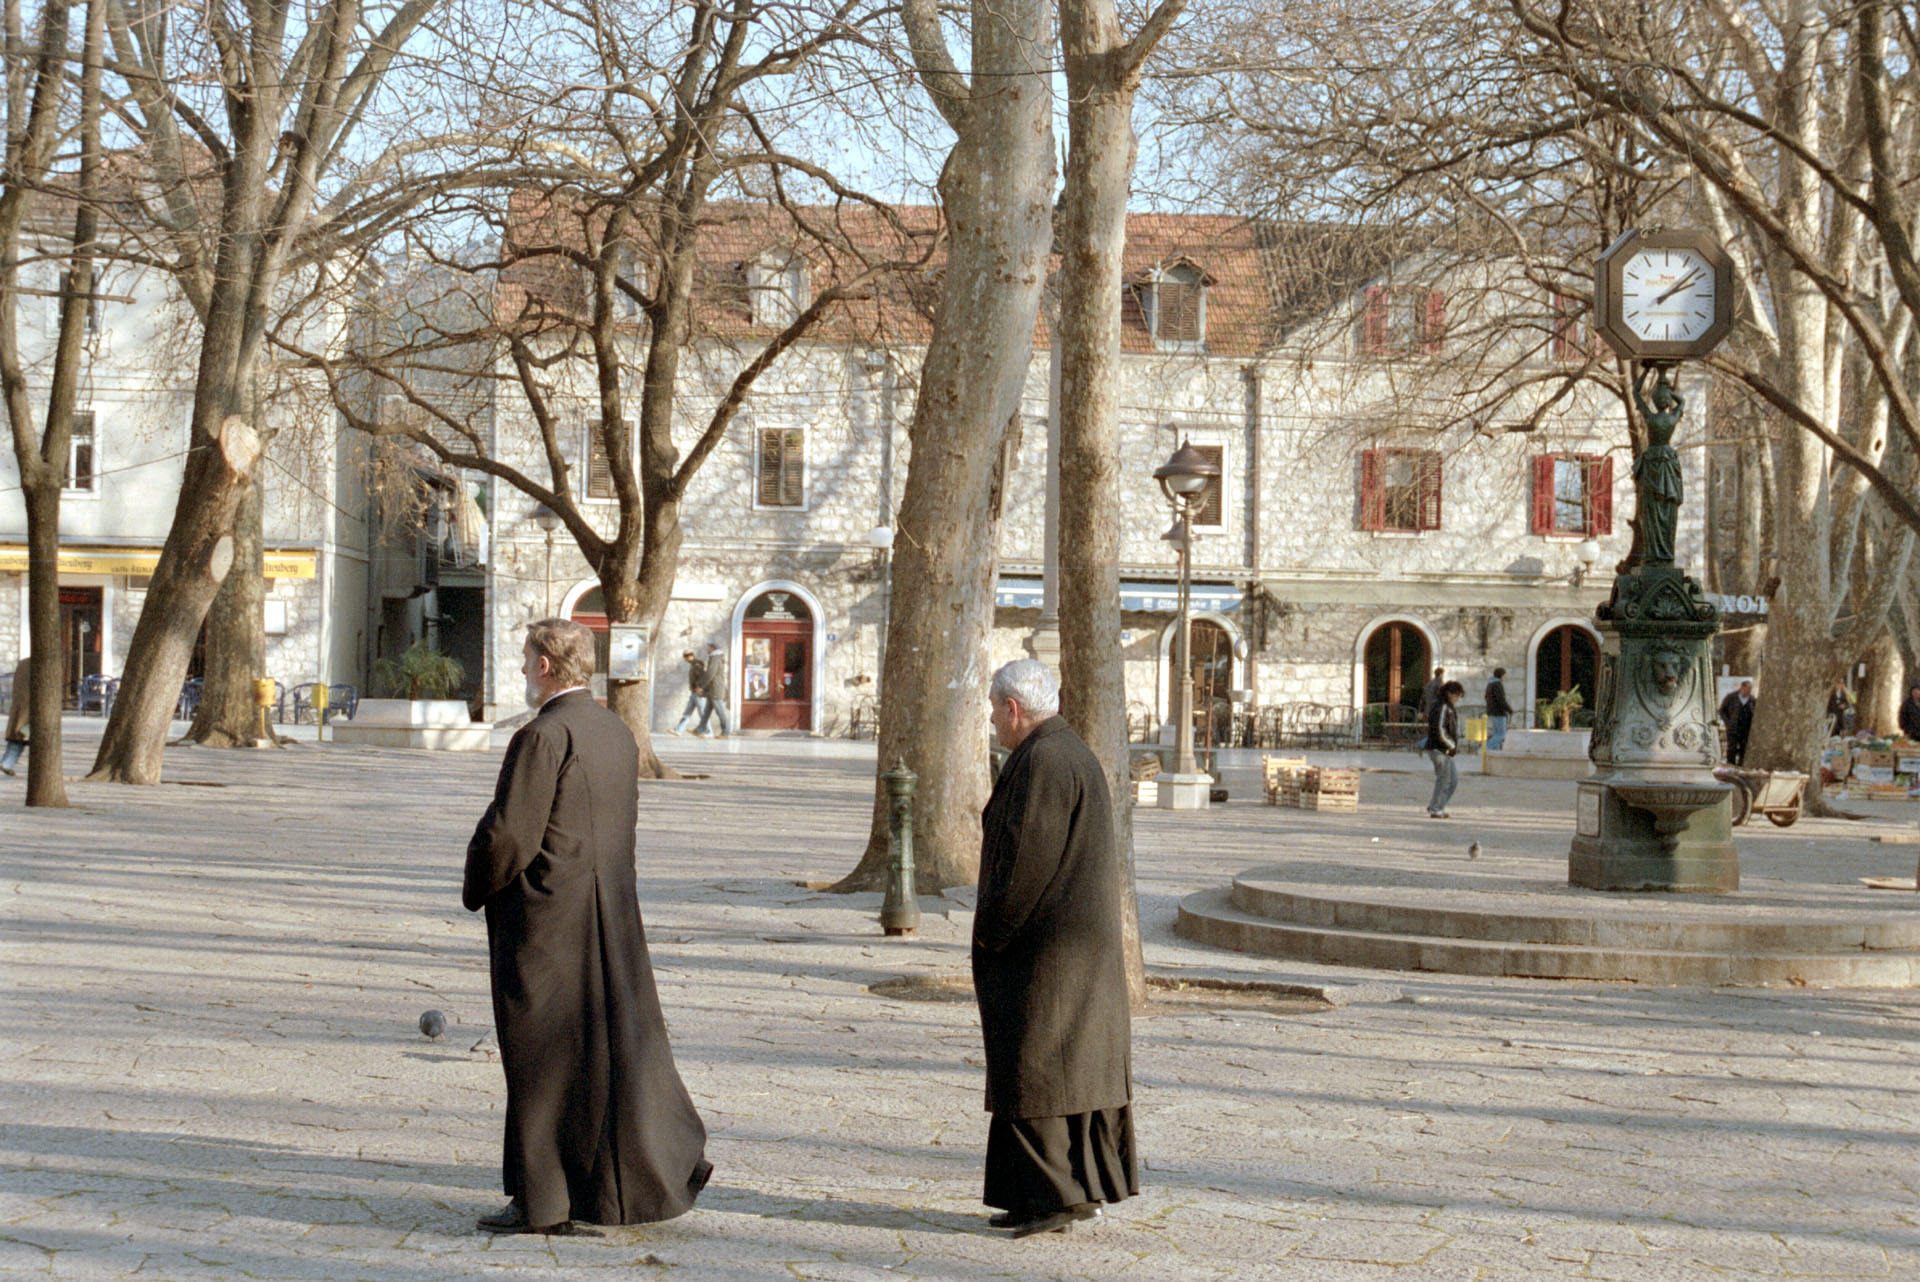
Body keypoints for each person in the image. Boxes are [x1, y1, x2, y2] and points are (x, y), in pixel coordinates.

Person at [464, 618, 712, 1235]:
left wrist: (476, 884)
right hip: (611, 917)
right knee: (605, 1057)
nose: (522, 669)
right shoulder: (615, 732)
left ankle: (543, 1203)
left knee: (541, 1058)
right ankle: (602, 1191)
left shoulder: (542, 736)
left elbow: (511, 835)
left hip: (548, 921)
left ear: (547, 664)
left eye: (526, 658)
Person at [975, 658, 1136, 1238]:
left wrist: (992, 931)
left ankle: (1058, 1197)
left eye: (995, 711)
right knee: (1055, 1072)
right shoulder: (1065, 751)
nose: (993, 721)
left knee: (1039, 1070)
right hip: (1068, 947)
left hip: (1049, 952)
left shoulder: (1044, 760)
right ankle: (1037, 1194)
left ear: (1013, 709)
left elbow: (1023, 862)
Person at [1420, 680, 1465, 818]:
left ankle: (1436, 805)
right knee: (1445, 779)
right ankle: (1436, 808)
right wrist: (1451, 744)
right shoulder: (1442, 707)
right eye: (1456, 695)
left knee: (1452, 780)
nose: (1457, 699)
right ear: (1449, 693)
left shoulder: (1448, 707)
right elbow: (1439, 729)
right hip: (1439, 749)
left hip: (1445, 750)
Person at [693, 643, 731, 738]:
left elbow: (710, 673)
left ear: (713, 648)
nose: (707, 649)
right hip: (712, 689)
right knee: (707, 711)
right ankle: (699, 730)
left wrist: (701, 686)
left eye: (708, 647)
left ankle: (726, 732)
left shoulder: (715, 658)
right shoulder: (715, 658)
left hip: (715, 689)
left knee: (720, 711)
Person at [668, 650, 708, 736]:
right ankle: (678, 730)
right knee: (687, 712)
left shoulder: (697, 664)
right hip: (694, 692)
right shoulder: (694, 664)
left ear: (689, 656)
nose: (685, 660)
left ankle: (708, 731)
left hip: (698, 692)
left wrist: (699, 687)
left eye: (685, 657)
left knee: (702, 712)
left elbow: (702, 676)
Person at [1718, 680, 1756, 766]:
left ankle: (1741, 765)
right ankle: (1730, 765)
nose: (1748, 691)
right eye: (1747, 689)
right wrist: (1728, 722)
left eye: (1750, 690)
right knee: (1732, 748)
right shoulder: (1731, 697)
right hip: (1733, 727)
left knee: (1744, 748)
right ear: (1742, 688)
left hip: (1746, 728)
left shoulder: (1752, 700)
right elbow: (1722, 710)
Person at [1, 656, 28, 776]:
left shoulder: (22, 664)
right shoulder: (39, 664)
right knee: (22, 736)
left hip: (19, 706)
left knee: (17, 738)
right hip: (29, 709)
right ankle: (6, 763)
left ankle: (7, 763)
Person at [1483, 667, 1512, 752]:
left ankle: (1494, 752)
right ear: (1501, 675)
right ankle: (1487, 748)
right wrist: (1509, 709)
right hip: (1498, 712)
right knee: (1501, 734)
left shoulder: (1490, 684)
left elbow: (1486, 697)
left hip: (1492, 712)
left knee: (1496, 733)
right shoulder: (1497, 685)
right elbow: (1501, 700)